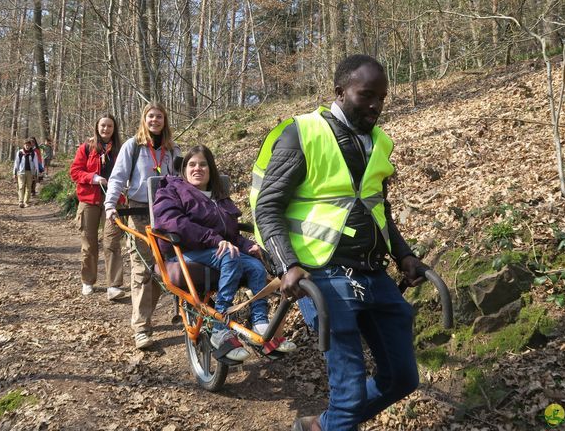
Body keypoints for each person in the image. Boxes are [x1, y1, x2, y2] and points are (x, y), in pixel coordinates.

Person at [251, 55, 427, 431]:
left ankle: (321, 426)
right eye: (367, 95)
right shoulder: (303, 133)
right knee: (349, 396)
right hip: (322, 275)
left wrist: (405, 255)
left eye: (382, 96)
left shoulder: (378, 142)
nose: (376, 105)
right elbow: (267, 207)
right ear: (340, 92)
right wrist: (287, 264)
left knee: (403, 378)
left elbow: (377, 209)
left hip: (372, 271)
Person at [153, 145, 296, 363]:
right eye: (192, 164)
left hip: (215, 251)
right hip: (183, 252)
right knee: (231, 257)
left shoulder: (219, 198)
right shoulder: (171, 189)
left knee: (255, 265)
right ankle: (220, 327)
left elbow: (230, 234)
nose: (197, 168)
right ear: (184, 169)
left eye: (203, 164)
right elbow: (173, 224)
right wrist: (215, 240)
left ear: (211, 169)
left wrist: (248, 245)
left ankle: (260, 323)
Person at [104, 103, 181, 350]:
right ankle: (141, 327)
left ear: (164, 120)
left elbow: (182, 181)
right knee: (142, 268)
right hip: (139, 213)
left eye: (159, 116)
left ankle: (146, 314)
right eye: (150, 116)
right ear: (144, 119)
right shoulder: (132, 146)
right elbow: (117, 177)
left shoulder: (172, 149)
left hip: (167, 213)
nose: (155, 120)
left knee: (163, 268)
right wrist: (110, 204)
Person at [70, 114, 125, 300]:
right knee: (88, 244)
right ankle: (88, 281)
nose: (106, 129)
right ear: (97, 127)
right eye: (103, 125)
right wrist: (93, 178)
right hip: (89, 200)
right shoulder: (86, 147)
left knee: (112, 242)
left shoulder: (121, 149)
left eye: (109, 126)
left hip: (114, 201)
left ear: (114, 128)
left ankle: (114, 285)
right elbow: (75, 172)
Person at [13, 139, 39, 208]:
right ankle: (20, 201)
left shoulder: (33, 153)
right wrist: (14, 173)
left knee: (28, 187)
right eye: (26, 145)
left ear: (31, 146)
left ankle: (26, 202)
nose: (27, 146)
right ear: (24, 145)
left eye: (29, 145)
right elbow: (16, 163)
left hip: (30, 172)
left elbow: (36, 163)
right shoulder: (20, 152)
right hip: (21, 172)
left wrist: (36, 173)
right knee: (21, 186)